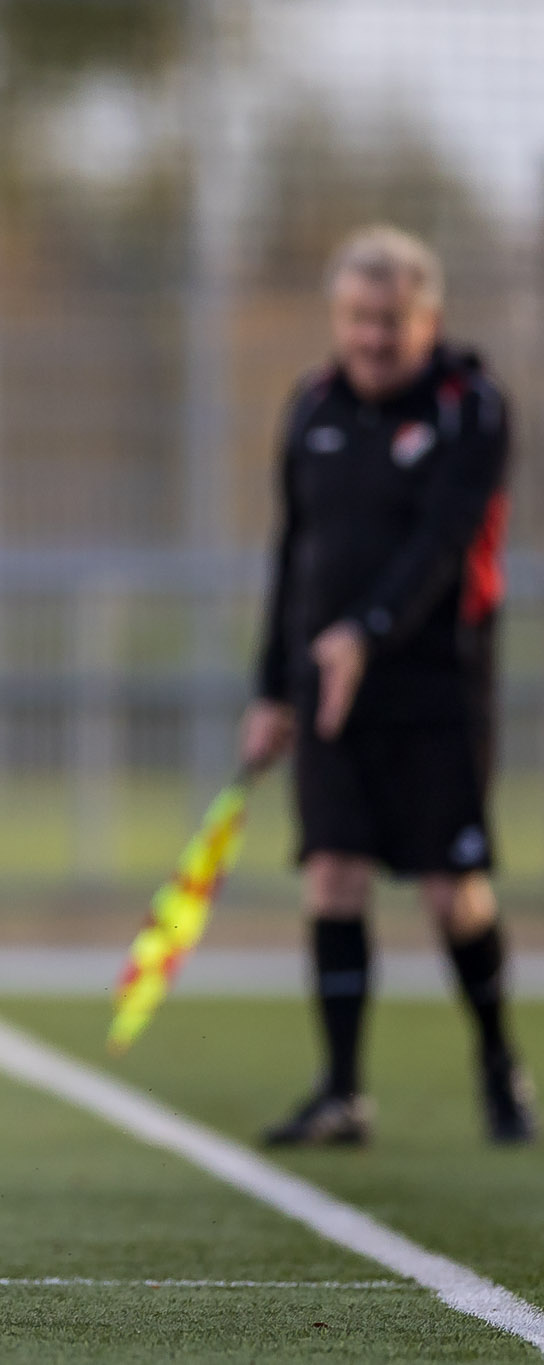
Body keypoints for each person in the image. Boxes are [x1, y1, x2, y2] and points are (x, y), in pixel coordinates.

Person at [239, 225, 533, 1147]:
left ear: (427, 320)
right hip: (325, 683)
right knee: (331, 873)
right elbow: (294, 553)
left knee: (453, 890)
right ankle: (341, 1092)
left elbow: (445, 544)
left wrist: (364, 635)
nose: (372, 337)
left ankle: (499, 1066)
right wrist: (272, 688)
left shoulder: (470, 406)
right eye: (358, 318)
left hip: (437, 686)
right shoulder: (312, 404)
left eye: (391, 320)